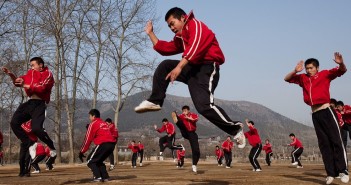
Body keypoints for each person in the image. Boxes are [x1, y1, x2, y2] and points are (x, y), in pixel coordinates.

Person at [134, 7, 245, 148]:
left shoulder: (196, 25)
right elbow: (166, 48)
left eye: (172, 23)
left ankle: (235, 128)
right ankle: (156, 100)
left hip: (207, 68)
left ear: (183, 18)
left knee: (203, 107)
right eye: (169, 26)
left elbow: (195, 48)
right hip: (192, 68)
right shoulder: (181, 37)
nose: (171, 28)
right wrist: (150, 33)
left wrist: (179, 67)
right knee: (165, 66)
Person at [284, 53, 348, 184]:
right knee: (324, 144)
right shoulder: (303, 78)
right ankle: (331, 173)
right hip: (315, 114)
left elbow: (342, 70)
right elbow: (286, 78)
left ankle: (343, 171)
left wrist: (340, 63)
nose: (308, 70)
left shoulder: (325, 74)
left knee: (336, 140)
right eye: (307, 68)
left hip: (327, 111)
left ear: (317, 68)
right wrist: (295, 71)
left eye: (311, 68)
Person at [2, 57, 56, 176]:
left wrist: (25, 85)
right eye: (30, 65)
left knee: (37, 128)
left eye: (33, 65)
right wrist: (11, 74)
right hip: (30, 103)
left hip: (40, 104)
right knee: (14, 122)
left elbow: (42, 88)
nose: (31, 67)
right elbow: (18, 82)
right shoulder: (30, 73)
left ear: (40, 65)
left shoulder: (48, 74)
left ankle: (51, 145)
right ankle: (26, 141)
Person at [79, 109, 116, 182]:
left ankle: (97, 177)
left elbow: (87, 139)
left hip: (103, 144)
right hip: (112, 145)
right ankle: (105, 177)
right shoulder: (104, 123)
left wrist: (82, 151)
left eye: (90, 116)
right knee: (98, 161)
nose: (89, 118)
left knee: (90, 161)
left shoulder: (93, 124)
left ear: (93, 116)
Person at [171, 105, 200, 173]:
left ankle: (194, 164)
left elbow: (196, 119)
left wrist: (189, 118)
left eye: (185, 111)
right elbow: (179, 117)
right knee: (180, 122)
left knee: (196, 151)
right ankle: (176, 121)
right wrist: (175, 114)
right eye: (183, 111)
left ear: (188, 110)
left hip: (192, 134)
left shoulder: (193, 115)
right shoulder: (182, 115)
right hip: (185, 132)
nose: (184, 112)